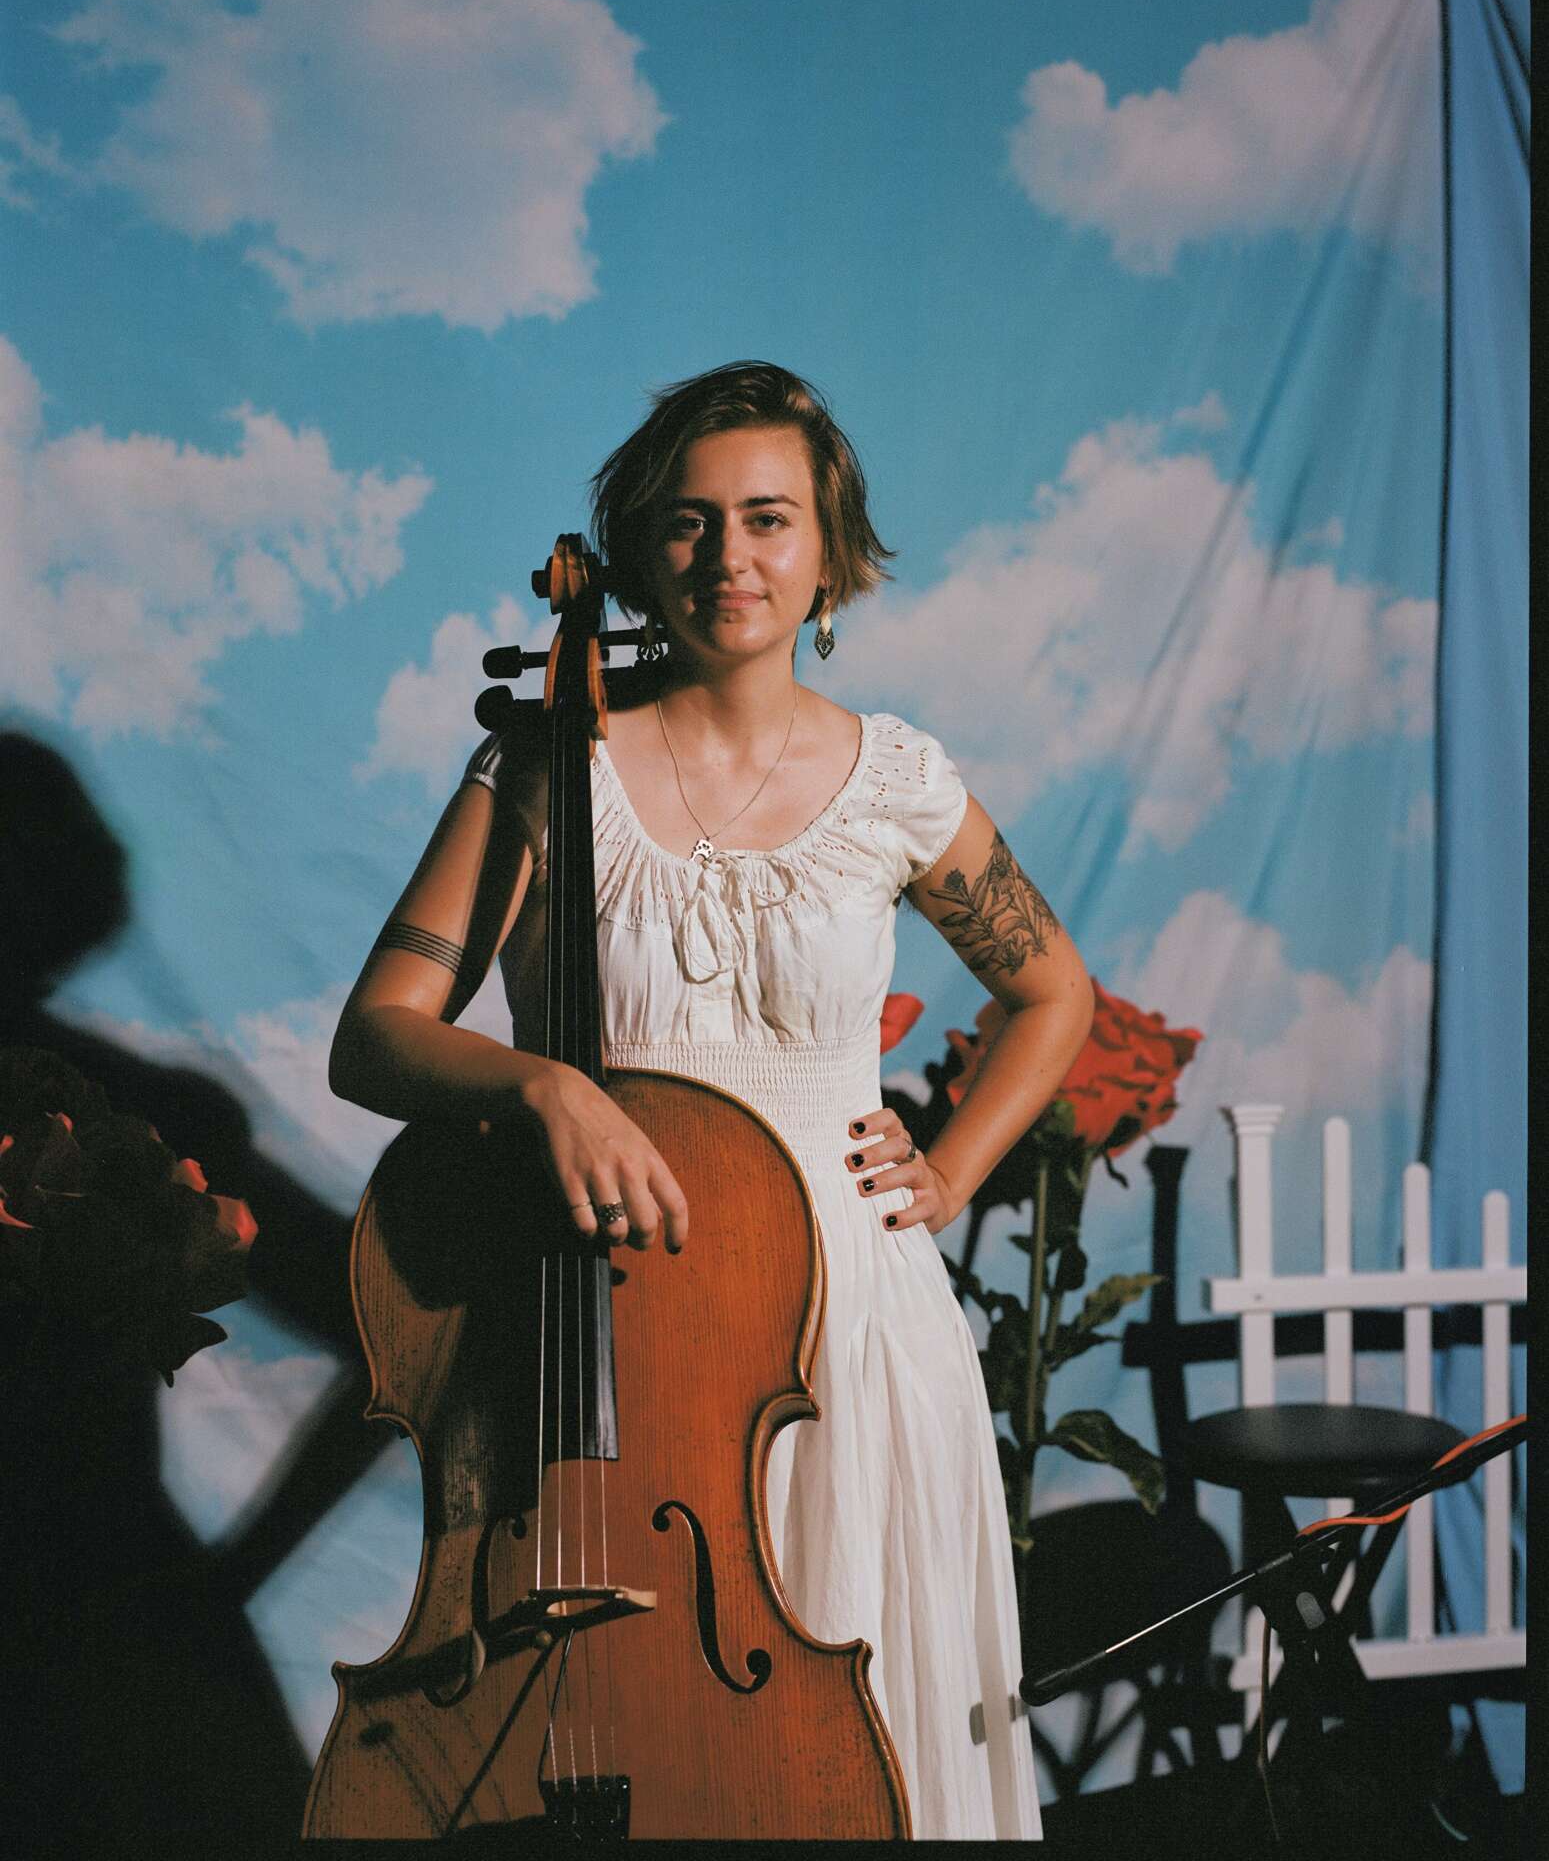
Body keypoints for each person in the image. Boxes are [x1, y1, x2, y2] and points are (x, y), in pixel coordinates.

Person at [329, 362, 1093, 1840]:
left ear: (828, 552)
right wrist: (544, 1084)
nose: (727, 557)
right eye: (688, 522)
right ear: (635, 549)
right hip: (618, 1328)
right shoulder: (544, 766)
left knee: (853, 1716)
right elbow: (376, 1036)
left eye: (767, 518)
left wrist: (945, 1173)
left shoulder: (896, 783)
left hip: (846, 1318)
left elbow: (1052, 992)